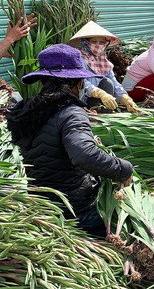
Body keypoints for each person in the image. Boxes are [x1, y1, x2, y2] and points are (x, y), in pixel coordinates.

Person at [5, 44, 134, 238]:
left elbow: (52, 147)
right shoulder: (71, 112)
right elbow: (84, 155)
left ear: (43, 81)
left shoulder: (29, 111)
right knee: (130, 217)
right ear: (78, 83)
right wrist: (124, 169)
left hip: (42, 207)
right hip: (75, 212)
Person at [68, 21, 138, 113]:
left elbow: (114, 82)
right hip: (81, 100)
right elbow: (82, 83)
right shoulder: (79, 59)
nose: (98, 45)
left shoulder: (103, 61)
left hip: (97, 100)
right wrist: (100, 93)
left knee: (108, 83)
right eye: (94, 41)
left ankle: (105, 115)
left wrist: (125, 98)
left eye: (102, 42)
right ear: (85, 42)